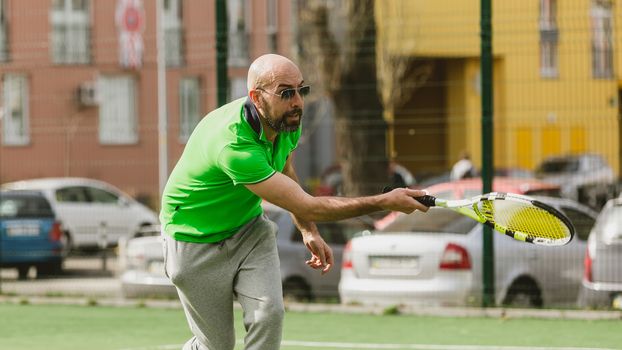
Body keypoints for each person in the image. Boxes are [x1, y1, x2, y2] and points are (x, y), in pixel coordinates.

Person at [159, 54, 429, 350]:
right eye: (286, 92)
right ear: (256, 97)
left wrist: (308, 230)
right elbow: (308, 205)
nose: (297, 101)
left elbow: (287, 172)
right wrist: (386, 201)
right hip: (192, 240)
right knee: (217, 346)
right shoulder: (234, 145)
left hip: (248, 231)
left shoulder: (286, 121)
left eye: (302, 90)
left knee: (269, 316)